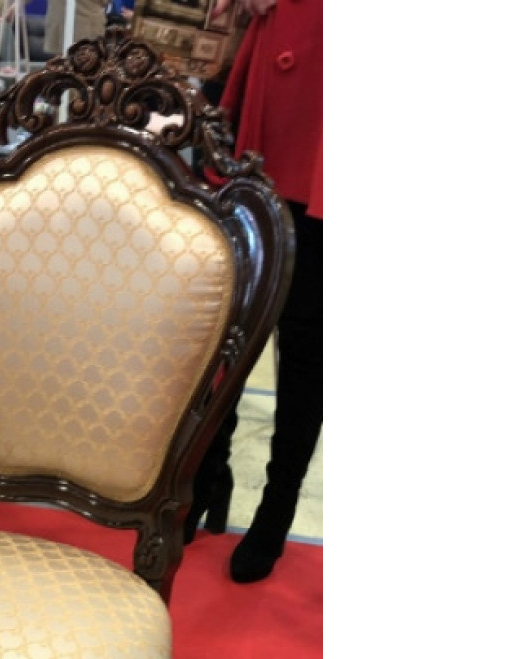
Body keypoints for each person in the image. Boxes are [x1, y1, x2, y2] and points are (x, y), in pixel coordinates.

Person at [185, 0, 322, 584]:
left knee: (308, 341)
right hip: (274, 56)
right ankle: (207, 474)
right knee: (229, 321)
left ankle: (277, 508)